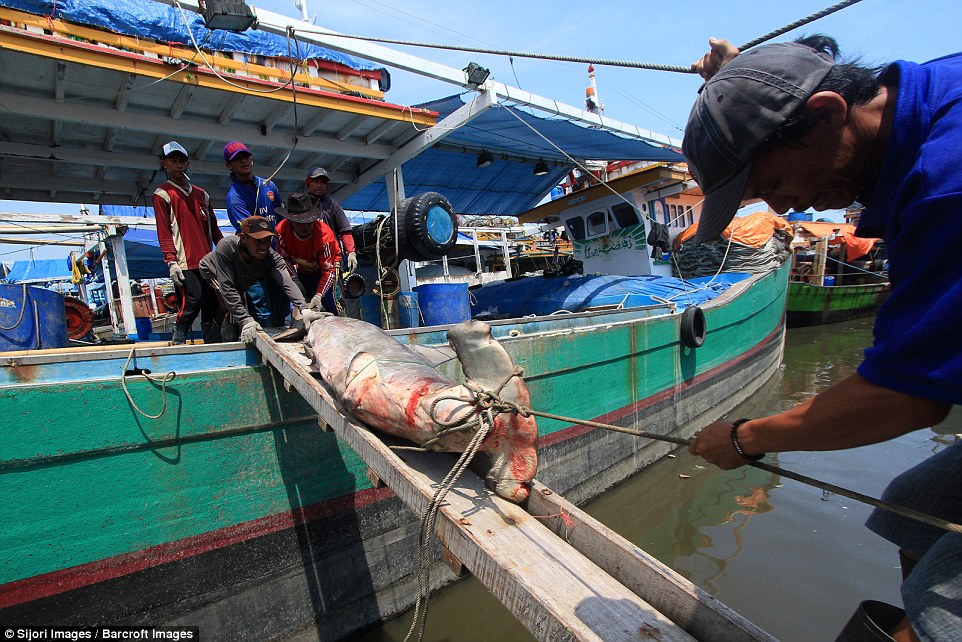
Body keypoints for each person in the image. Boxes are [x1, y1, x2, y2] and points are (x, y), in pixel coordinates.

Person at [683, 35, 962, 642]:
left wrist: (745, 437)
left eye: (778, 183)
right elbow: (793, 108)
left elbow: (907, 396)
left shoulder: (947, 183)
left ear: (830, 112)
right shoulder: (931, 95)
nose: (791, 205)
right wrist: (747, 83)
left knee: (944, 608)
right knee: (913, 506)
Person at [152, 141, 224, 344]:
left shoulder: (202, 195)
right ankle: (179, 338)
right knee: (192, 300)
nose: (178, 165)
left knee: (211, 302)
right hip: (184, 262)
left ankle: (211, 341)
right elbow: (164, 231)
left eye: (182, 161)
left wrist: (224, 251)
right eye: (173, 161)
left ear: (188, 164)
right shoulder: (163, 194)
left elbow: (214, 228)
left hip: (207, 261)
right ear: (164, 163)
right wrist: (171, 261)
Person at [198, 216, 307, 343]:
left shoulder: (271, 257)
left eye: (267, 241)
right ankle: (216, 339)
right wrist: (247, 321)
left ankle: (229, 336)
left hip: (240, 280)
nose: (264, 246)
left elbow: (287, 282)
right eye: (258, 241)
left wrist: (304, 308)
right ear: (243, 237)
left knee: (236, 307)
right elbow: (227, 288)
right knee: (226, 304)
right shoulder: (226, 247)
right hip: (213, 271)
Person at [223, 141, 289, 327]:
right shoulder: (234, 197)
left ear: (252, 159)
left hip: (274, 257)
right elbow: (250, 232)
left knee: (282, 302)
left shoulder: (270, 187)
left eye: (246, 157)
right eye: (237, 159)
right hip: (252, 261)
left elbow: (281, 219)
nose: (244, 162)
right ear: (229, 166)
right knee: (260, 306)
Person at [274, 192, 342, 315]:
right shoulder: (281, 231)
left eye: (309, 222)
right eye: (300, 223)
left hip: (328, 269)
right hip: (303, 269)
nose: (305, 227)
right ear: (290, 221)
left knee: (333, 305)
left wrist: (318, 295)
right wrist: (294, 279)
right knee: (303, 302)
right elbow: (284, 258)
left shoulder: (325, 236)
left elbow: (329, 272)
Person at [304, 166, 358, 273]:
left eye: (323, 182)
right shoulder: (301, 204)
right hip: (307, 263)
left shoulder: (333, 205)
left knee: (334, 289)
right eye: (316, 181)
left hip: (332, 263)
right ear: (308, 183)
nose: (320, 185)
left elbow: (345, 231)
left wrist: (351, 252)